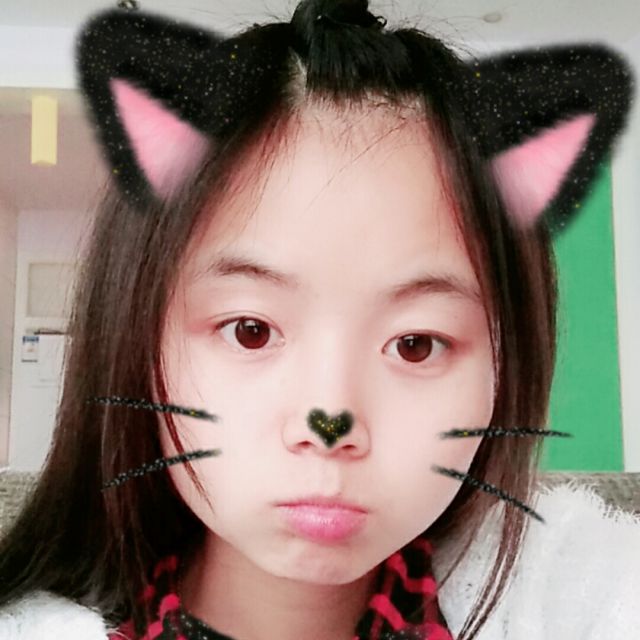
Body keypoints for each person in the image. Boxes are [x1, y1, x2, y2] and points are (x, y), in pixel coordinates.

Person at [0, 1, 638, 639]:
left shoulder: (589, 607)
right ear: (135, 338)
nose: (330, 422)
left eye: (416, 345)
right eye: (251, 331)